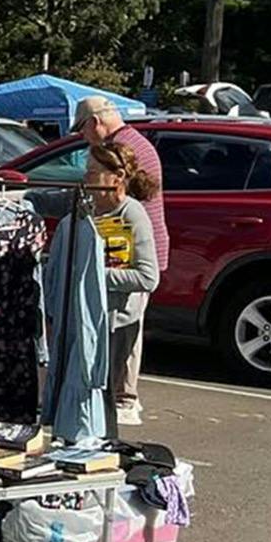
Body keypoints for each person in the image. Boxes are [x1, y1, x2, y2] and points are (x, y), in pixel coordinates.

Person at [73, 95, 167, 426]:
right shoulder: (130, 142)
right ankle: (119, 398)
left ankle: (124, 399)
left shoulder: (122, 151)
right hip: (132, 252)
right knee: (126, 327)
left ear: (94, 122)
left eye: (82, 129)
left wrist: (98, 269)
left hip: (133, 254)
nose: (82, 136)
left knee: (126, 328)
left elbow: (123, 207)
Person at [86, 142, 161, 437]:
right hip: (92, 317)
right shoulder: (91, 205)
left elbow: (148, 277)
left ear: (115, 177)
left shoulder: (133, 214)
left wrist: (95, 275)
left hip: (118, 323)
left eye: (93, 171)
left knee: (105, 401)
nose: (86, 177)